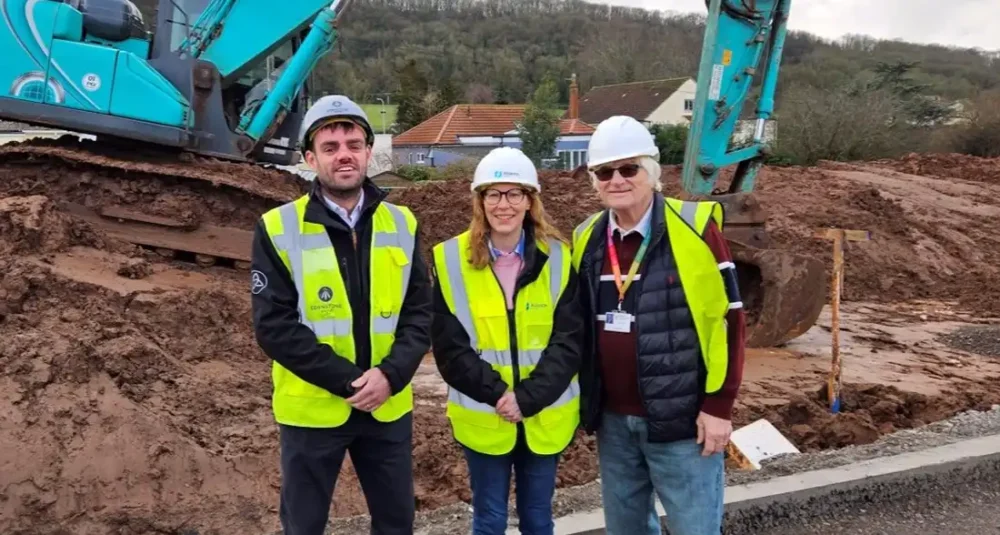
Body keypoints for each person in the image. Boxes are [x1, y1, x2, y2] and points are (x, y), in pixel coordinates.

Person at [250, 94, 432, 535]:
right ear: (310, 159)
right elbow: (274, 327)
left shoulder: (403, 224)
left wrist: (389, 376)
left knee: (396, 524)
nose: (344, 155)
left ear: (369, 151)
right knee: (304, 525)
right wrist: (350, 381)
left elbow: (420, 314)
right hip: (313, 412)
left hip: (387, 407)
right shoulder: (277, 227)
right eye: (330, 147)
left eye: (353, 144)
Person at [570, 116, 746, 535]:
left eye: (628, 168)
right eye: (605, 172)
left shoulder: (695, 229)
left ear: (651, 171)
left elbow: (730, 319)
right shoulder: (586, 237)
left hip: (683, 421)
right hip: (613, 422)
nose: (617, 180)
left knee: (694, 528)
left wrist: (719, 407)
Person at [430, 147, 584, 535]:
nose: (504, 205)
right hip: (485, 418)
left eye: (515, 193)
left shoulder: (559, 258)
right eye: (494, 194)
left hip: (543, 416)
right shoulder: (450, 260)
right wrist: (499, 395)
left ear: (530, 201)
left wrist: (527, 398)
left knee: (537, 519)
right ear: (480, 201)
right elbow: (449, 349)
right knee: (489, 520)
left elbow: (569, 342)